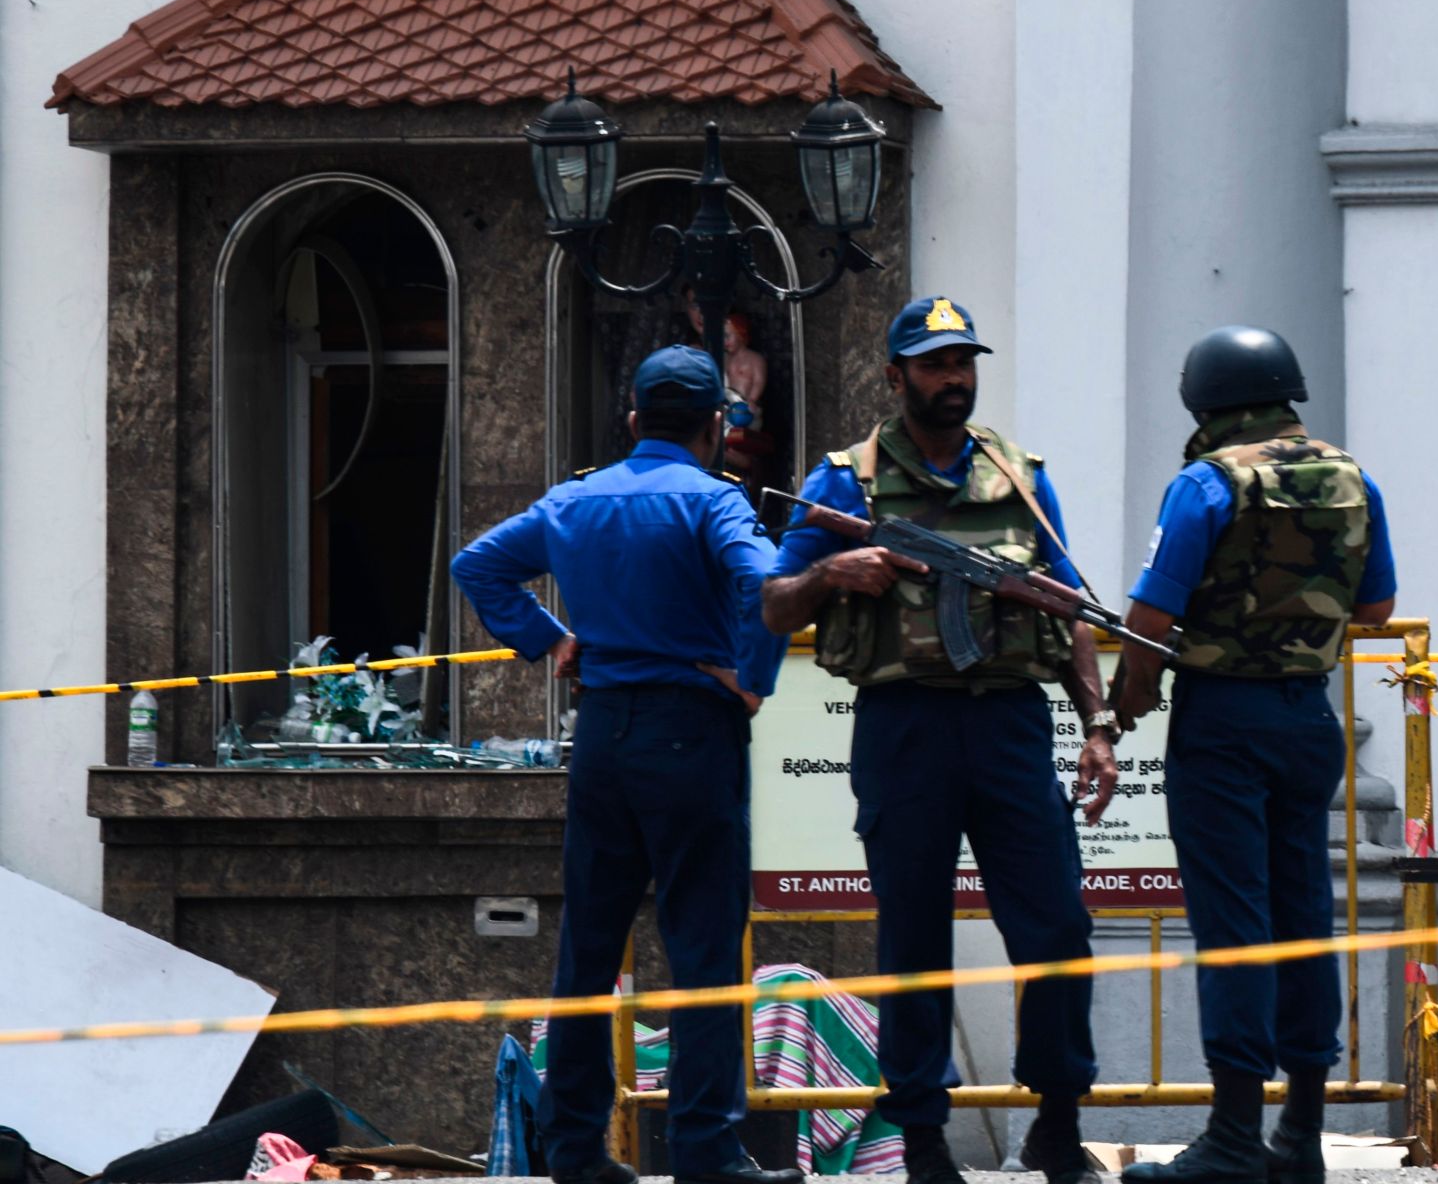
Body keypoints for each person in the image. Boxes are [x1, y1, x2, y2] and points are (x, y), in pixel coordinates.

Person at [759, 296, 1115, 1184]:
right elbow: (770, 602)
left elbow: (1065, 607)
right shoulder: (848, 478)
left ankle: (1058, 1122)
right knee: (913, 938)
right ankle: (921, 1137)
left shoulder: (1019, 475)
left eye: (963, 363)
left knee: (1059, 927)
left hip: (1008, 724)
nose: (953, 379)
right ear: (895, 375)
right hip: (905, 726)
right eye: (933, 364)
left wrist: (1099, 725)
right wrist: (834, 571)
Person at [450, 345, 795, 1184]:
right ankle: (707, 1152)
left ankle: (574, 1149)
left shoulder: (574, 500)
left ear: (636, 419)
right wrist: (751, 681)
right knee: (704, 948)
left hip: (603, 736)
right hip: (693, 737)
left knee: (590, 947)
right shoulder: (715, 502)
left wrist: (550, 639)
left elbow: (478, 565)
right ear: (717, 425)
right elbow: (767, 586)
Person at [1108, 326, 1398, 1184]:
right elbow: (1378, 609)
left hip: (1223, 728)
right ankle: (1298, 1137)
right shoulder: (1354, 478)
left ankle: (1233, 1137)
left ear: (1205, 405)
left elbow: (1152, 620)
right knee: (1304, 918)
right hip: (1308, 721)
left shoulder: (1204, 485)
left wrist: (1128, 699)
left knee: (1234, 927)